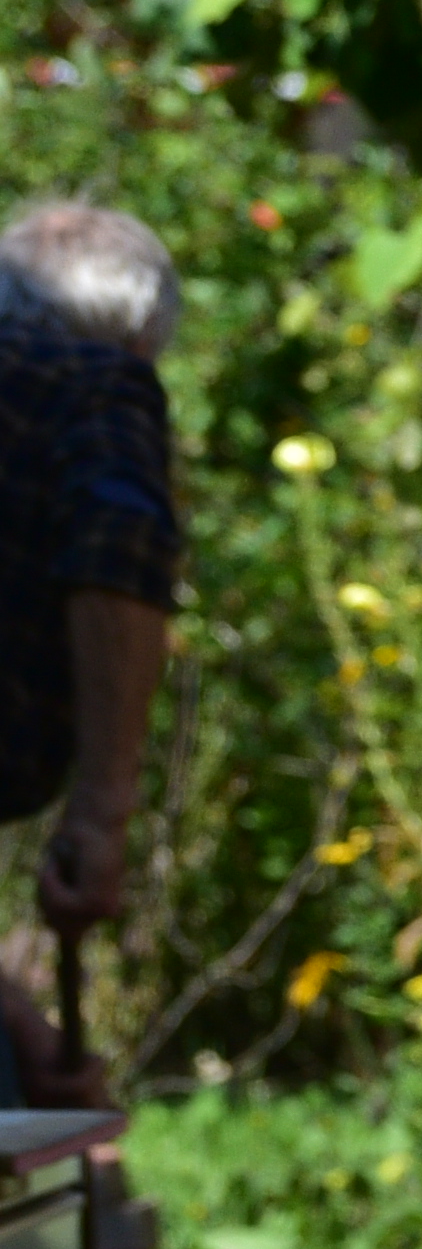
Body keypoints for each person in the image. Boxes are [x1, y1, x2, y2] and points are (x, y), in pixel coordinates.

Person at [0, 201, 192, 1105]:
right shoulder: (90, 385)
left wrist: (17, 1024)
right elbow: (118, 541)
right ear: (132, 335)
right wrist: (101, 815)